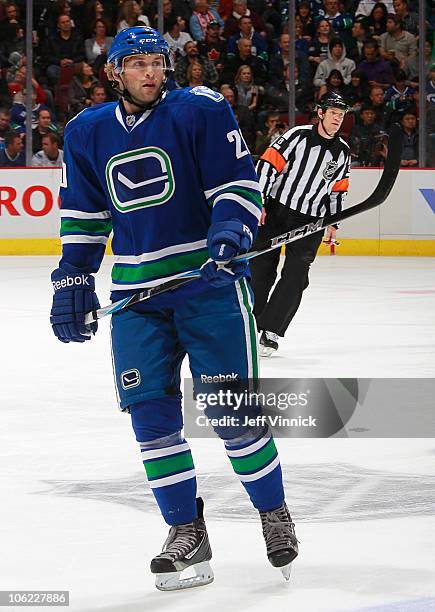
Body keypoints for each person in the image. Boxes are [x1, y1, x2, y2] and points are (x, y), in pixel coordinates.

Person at [49, 26, 298, 591]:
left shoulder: (201, 109)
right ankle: (186, 529)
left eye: (158, 62)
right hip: (138, 298)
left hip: (206, 288)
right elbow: (84, 220)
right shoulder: (85, 132)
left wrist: (231, 229)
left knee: (230, 413)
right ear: (113, 72)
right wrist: (71, 280)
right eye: (136, 63)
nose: (151, 72)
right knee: (152, 421)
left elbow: (237, 182)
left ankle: (273, 512)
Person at [250, 92, 350, 356]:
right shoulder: (297, 136)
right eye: (334, 114)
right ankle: (250, 324)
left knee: (296, 275)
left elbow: (338, 191)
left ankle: (270, 330)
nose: (338, 119)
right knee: (260, 269)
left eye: (341, 116)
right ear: (320, 113)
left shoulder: (343, 152)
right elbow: (267, 166)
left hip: (311, 221)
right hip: (275, 212)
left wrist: (332, 224)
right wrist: (259, 202)